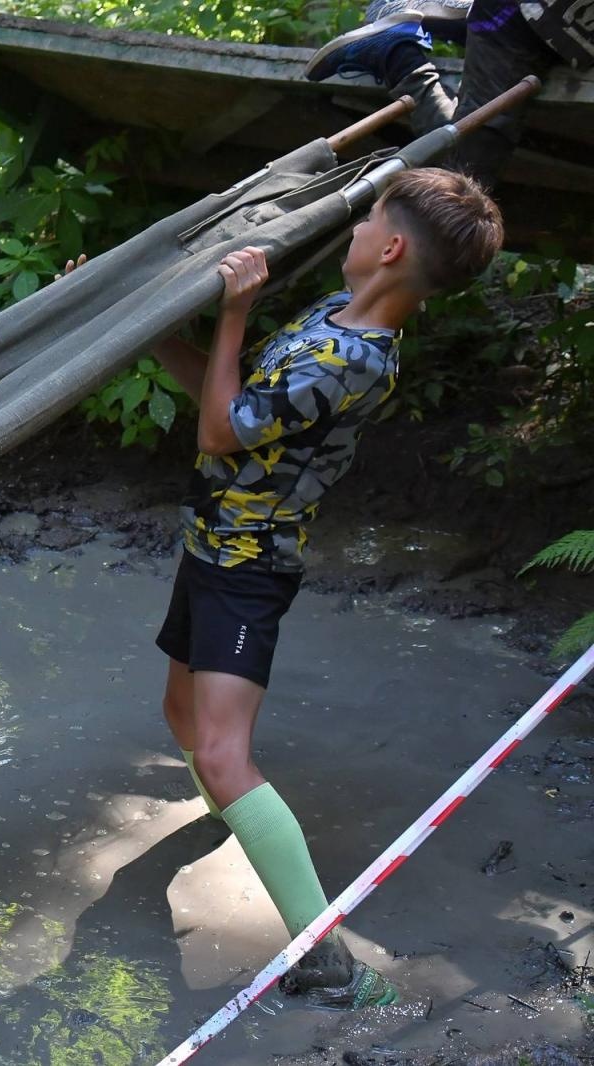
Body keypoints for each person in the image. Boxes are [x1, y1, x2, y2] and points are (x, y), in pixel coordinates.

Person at [148, 168, 503, 1009]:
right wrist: (145, 335)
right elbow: (226, 390)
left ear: (388, 248)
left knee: (223, 752)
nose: (349, 231)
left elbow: (218, 430)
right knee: (184, 722)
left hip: (248, 571)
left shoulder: (348, 359)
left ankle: (327, 956)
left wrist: (234, 311)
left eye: (366, 218)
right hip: (212, 551)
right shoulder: (328, 325)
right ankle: (245, 817)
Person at [305, 0, 593, 190]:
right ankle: (395, 52)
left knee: (460, 185)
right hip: (520, 18)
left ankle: (403, 29)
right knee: (462, 182)